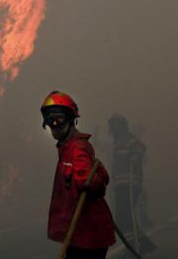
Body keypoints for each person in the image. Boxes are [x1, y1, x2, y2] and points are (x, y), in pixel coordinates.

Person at [42, 91, 115, 259]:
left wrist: (92, 179)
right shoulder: (67, 149)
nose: (54, 123)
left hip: (89, 234)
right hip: (79, 234)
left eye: (59, 118)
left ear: (71, 119)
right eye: (50, 119)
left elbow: (88, 182)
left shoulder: (78, 148)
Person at [108, 113, 154, 256]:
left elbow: (140, 147)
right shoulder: (116, 143)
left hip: (130, 184)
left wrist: (135, 157)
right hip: (120, 185)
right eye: (113, 125)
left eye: (117, 125)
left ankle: (136, 247)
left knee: (123, 218)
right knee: (122, 219)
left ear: (123, 126)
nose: (115, 128)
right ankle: (142, 244)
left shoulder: (128, 139)